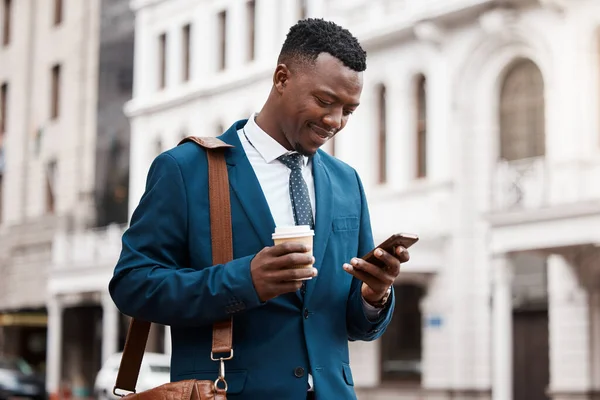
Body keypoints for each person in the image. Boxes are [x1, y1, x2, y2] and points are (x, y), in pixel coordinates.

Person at [109, 18, 410, 400]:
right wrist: (244, 282)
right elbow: (132, 286)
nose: (335, 122)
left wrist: (374, 295)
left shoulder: (346, 181)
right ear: (282, 78)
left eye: (348, 110)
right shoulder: (186, 169)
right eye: (324, 101)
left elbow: (352, 325)